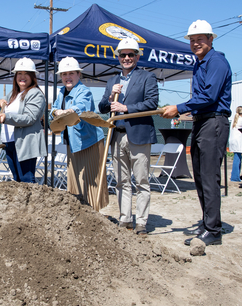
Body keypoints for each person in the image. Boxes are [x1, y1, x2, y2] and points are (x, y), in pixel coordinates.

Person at [162, 20, 232, 246]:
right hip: (202, 122)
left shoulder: (217, 62)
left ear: (211, 39)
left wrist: (178, 108)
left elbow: (209, 98)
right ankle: (207, 222)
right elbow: (199, 100)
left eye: (200, 39)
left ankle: (213, 231)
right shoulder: (200, 64)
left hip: (214, 121)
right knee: (200, 177)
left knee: (210, 177)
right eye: (192, 40)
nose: (195, 43)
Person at [99, 38, 159, 236]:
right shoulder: (112, 81)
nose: (126, 58)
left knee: (142, 181)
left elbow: (152, 103)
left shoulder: (147, 77)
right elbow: (102, 107)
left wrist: (126, 108)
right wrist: (110, 98)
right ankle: (125, 218)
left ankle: (141, 222)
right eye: (123, 55)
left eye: (130, 54)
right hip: (116, 135)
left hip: (139, 135)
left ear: (137, 56)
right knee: (121, 181)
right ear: (118, 57)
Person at [51, 57, 106, 207]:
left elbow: (81, 107)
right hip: (72, 144)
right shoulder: (61, 92)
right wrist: (57, 111)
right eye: (64, 74)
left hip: (89, 142)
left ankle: (94, 217)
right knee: (74, 183)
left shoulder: (84, 91)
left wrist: (66, 111)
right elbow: (53, 109)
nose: (67, 77)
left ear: (78, 74)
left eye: (71, 73)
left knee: (90, 183)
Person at [0, 57, 47, 184]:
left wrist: (7, 118)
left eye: (26, 73)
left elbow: (30, 118)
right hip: (9, 141)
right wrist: (0, 102)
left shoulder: (36, 94)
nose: (22, 77)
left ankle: (33, 204)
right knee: (17, 179)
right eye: (19, 73)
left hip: (25, 142)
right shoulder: (14, 93)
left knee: (26, 180)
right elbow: (3, 101)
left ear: (32, 76)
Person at [229, 106, 242, 187]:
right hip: (238, 141)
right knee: (237, 159)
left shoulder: (235, 119)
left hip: (234, 141)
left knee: (237, 158)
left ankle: (236, 176)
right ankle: (235, 177)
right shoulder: (240, 119)